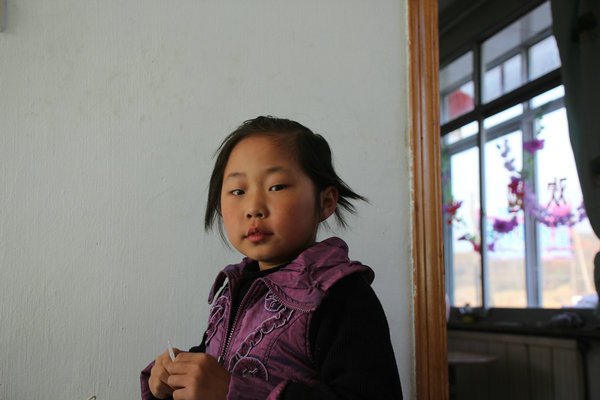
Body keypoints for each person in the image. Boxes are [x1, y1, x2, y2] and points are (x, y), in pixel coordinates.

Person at [140, 116, 403, 400]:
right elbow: (219, 371)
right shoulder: (233, 289)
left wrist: (233, 391)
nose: (253, 208)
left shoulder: (342, 295)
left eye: (276, 187)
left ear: (325, 201)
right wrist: (173, 377)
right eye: (238, 191)